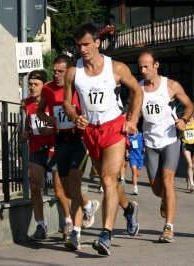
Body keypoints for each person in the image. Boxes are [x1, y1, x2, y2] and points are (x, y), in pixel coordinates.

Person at [63, 22, 143, 256]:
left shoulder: (115, 68)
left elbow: (137, 91)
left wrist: (133, 119)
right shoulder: (73, 72)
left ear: (97, 43)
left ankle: (105, 235)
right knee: (108, 182)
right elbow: (67, 102)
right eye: (79, 45)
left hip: (114, 127)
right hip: (90, 132)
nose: (83, 49)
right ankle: (129, 210)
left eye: (87, 44)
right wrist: (75, 116)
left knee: (108, 180)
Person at [37, 55, 100, 250]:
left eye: (60, 71)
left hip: (79, 141)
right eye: (54, 71)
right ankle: (88, 205)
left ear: (70, 71)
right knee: (66, 190)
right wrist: (48, 120)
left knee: (74, 184)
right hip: (60, 142)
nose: (55, 74)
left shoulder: (80, 88)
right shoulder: (47, 89)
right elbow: (40, 111)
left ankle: (76, 234)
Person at [138, 50, 194, 243]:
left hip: (170, 139)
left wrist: (184, 119)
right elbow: (133, 113)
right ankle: (165, 198)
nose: (143, 70)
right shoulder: (138, 89)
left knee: (168, 182)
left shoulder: (170, 85)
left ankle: (169, 227)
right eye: (140, 67)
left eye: (146, 66)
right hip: (150, 142)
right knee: (156, 187)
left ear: (156, 65)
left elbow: (190, 105)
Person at [20, 69, 70, 241]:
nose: (32, 88)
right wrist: (25, 134)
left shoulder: (52, 102)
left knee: (59, 190)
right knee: (35, 187)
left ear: (44, 86)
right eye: (30, 84)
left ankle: (68, 222)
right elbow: (29, 122)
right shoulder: (25, 103)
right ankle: (41, 226)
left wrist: (50, 130)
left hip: (54, 148)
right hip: (35, 149)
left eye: (36, 85)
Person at [127, 120, 145, 195]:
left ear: (136, 129)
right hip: (132, 156)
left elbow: (146, 143)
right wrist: (126, 152)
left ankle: (135, 183)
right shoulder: (128, 137)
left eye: (134, 129)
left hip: (140, 156)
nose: (133, 130)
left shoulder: (141, 135)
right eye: (131, 129)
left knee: (137, 174)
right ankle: (135, 188)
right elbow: (126, 146)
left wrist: (145, 147)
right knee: (134, 171)